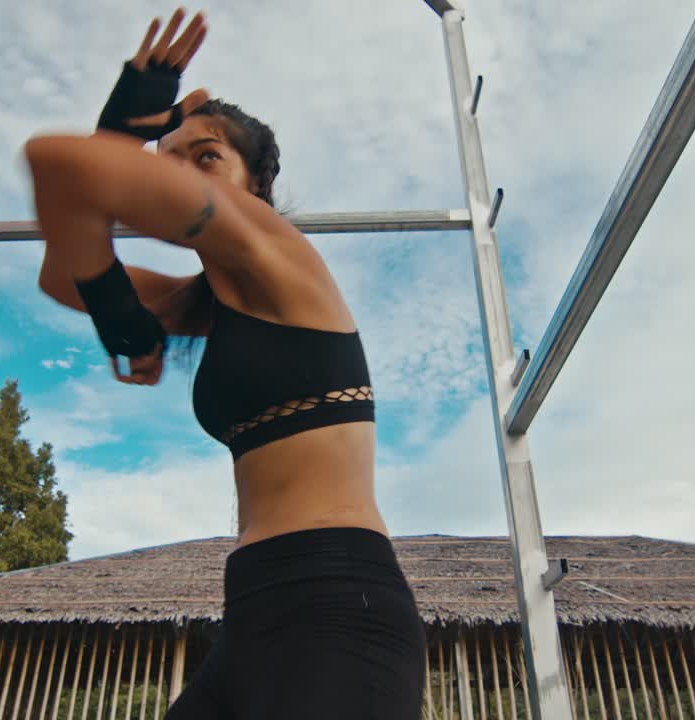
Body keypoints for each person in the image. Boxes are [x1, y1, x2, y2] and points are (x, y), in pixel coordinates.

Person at [24, 8, 426, 719]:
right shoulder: (204, 300)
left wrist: (130, 127)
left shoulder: (276, 251)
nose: (180, 171)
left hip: (337, 606)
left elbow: (65, 166)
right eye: (167, 158)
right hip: (253, 608)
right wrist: (121, 315)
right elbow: (61, 276)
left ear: (251, 187)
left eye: (205, 156)